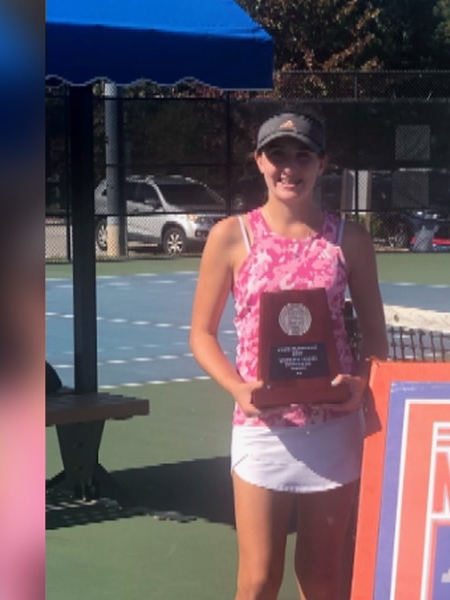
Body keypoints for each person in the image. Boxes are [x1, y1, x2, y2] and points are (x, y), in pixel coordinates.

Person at [190, 111, 388, 600]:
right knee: (258, 581)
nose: (289, 167)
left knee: (323, 579)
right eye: (277, 154)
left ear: (323, 163)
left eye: (303, 155)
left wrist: (359, 387)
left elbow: (377, 341)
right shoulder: (231, 237)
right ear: (259, 161)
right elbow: (201, 334)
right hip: (261, 432)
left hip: (334, 431)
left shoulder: (351, 240)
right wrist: (239, 389)